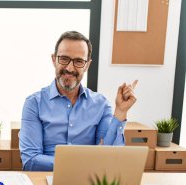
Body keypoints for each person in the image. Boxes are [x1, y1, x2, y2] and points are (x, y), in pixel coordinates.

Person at [19, 31, 137, 171]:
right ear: (53, 59)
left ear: (87, 65)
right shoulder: (34, 104)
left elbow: (109, 156)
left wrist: (121, 111)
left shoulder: (101, 105)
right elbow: (31, 161)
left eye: (79, 61)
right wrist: (84, 164)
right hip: (46, 180)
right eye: (64, 59)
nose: (69, 68)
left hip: (88, 184)